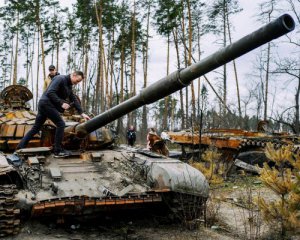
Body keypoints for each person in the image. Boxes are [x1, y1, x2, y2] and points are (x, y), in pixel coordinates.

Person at [16, 71, 90, 157]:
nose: (77, 83)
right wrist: (61, 103)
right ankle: (57, 151)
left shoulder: (69, 85)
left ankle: (20, 147)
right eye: (77, 81)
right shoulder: (60, 79)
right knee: (61, 124)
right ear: (73, 75)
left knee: (36, 128)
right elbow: (50, 92)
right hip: (46, 104)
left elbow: (73, 98)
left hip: (45, 104)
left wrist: (82, 113)